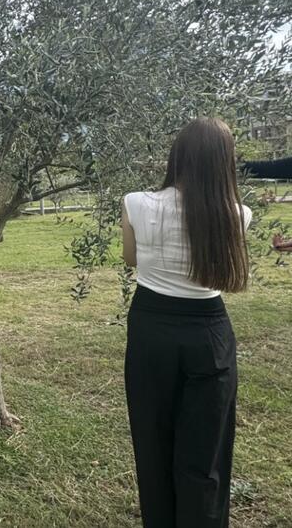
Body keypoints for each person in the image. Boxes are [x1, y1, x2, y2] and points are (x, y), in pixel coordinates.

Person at [121, 118, 252, 527]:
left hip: (151, 329)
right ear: (224, 162)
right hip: (208, 334)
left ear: (177, 155)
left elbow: (132, 258)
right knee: (205, 453)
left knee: (153, 442)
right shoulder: (237, 214)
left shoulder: (136, 203)